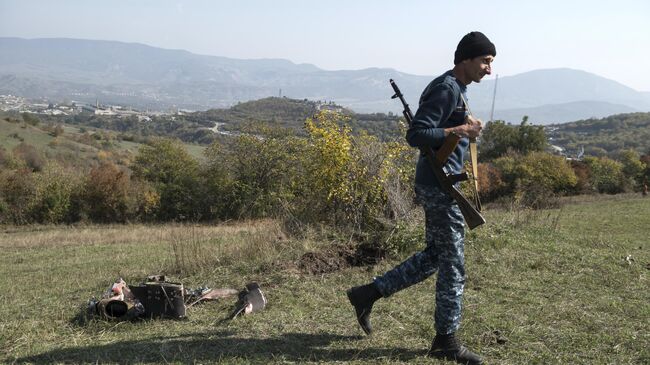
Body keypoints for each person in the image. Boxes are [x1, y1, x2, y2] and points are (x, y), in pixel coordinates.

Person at [346, 31, 495, 365]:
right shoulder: (446, 89)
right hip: (439, 187)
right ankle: (446, 342)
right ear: (467, 59)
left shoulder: (457, 90)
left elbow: (443, 128)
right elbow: (416, 134)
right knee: (453, 265)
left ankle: (367, 294)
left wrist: (465, 125)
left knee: (434, 257)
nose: (488, 69)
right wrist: (460, 131)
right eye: (485, 61)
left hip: (443, 185)